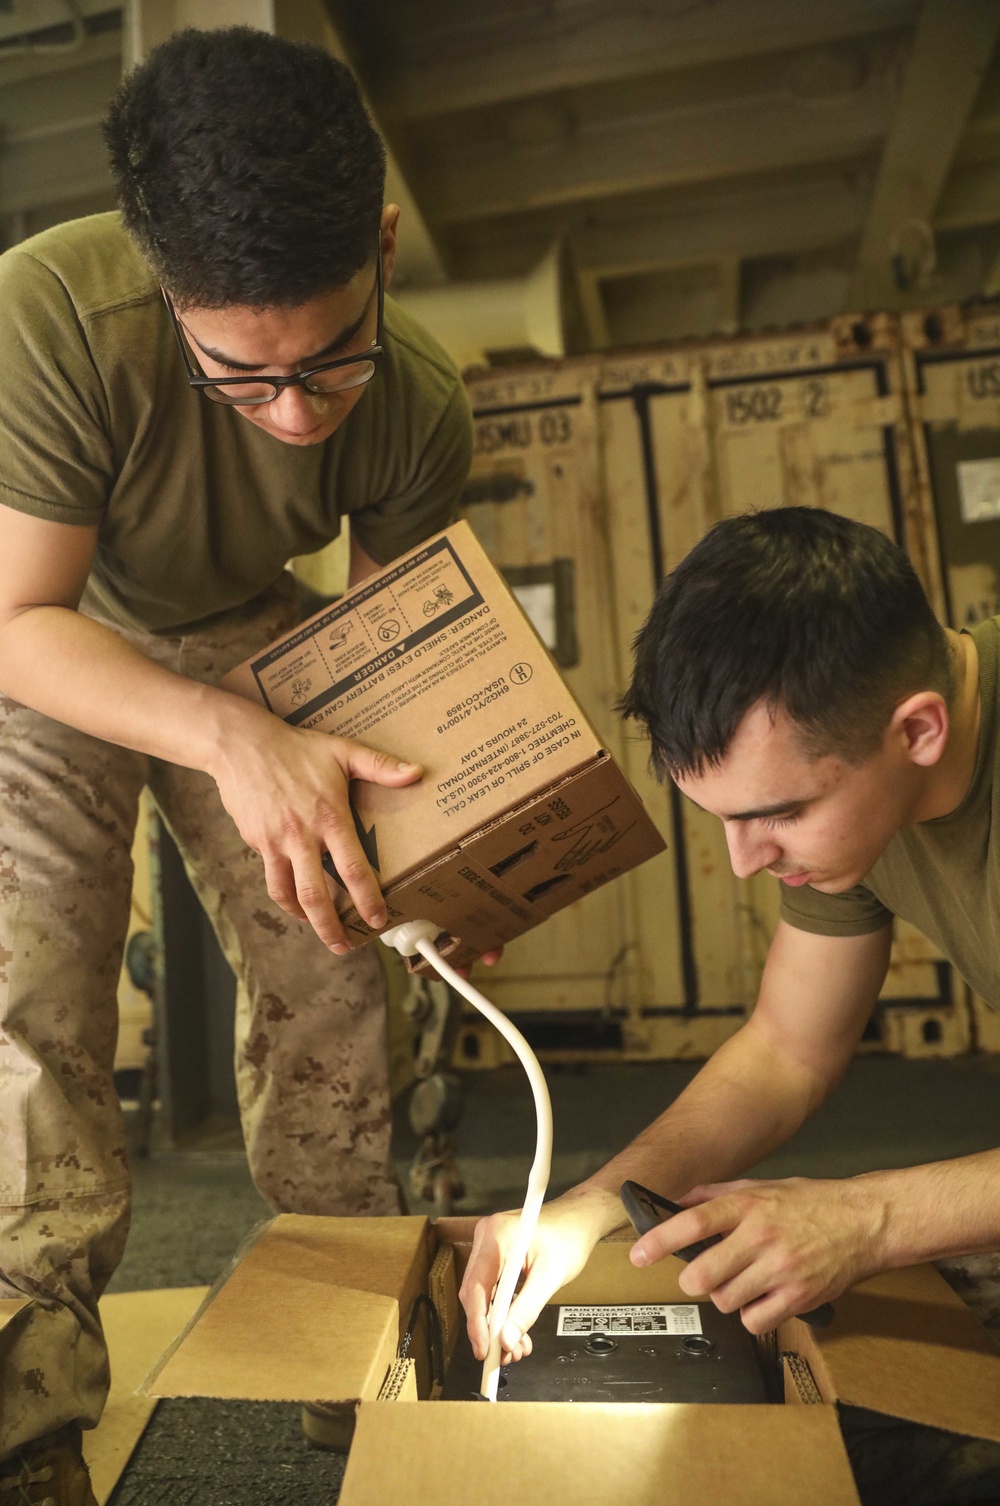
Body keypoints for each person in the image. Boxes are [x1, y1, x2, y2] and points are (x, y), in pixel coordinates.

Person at [0, 26, 473, 1502]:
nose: (291, 411)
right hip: (55, 634)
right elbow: (18, 620)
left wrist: (448, 857)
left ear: (384, 246)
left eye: (327, 361)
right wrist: (227, 737)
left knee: (347, 973)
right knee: (24, 1013)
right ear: (163, 291)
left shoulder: (421, 401)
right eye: (242, 374)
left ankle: (370, 1366)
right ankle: (24, 1424)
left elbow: (399, 673)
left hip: (268, 630)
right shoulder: (49, 312)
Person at [460, 507, 1000, 1504]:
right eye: (719, 819)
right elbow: (786, 1051)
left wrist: (871, 1217)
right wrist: (587, 1210)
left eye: (778, 816)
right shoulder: (857, 781)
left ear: (917, 729)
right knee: (823, 1425)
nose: (745, 863)